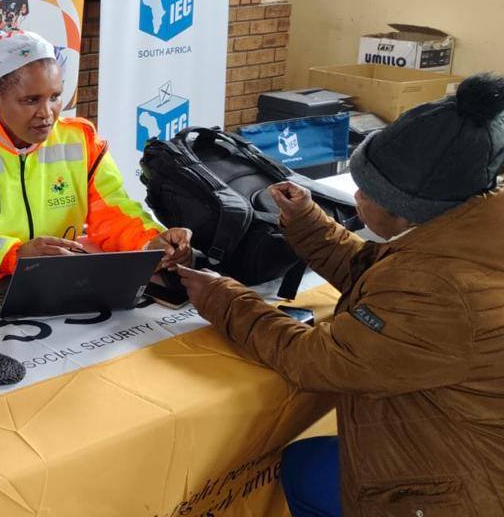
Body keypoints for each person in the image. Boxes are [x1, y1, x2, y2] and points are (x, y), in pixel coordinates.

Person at [176, 73, 504, 516]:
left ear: (403, 209)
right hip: (458, 447)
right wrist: (309, 224)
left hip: (457, 491)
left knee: (304, 471)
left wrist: (225, 299)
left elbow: (315, 360)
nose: (355, 195)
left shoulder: (441, 292)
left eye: (365, 190)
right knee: (305, 464)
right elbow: (387, 277)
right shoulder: (468, 236)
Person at [0, 29, 192, 281]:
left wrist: (150, 241)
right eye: (30, 100)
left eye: (55, 96)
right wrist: (14, 255)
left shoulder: (81, 139)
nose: (47, 113)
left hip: (52, 280)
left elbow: (113, 211)